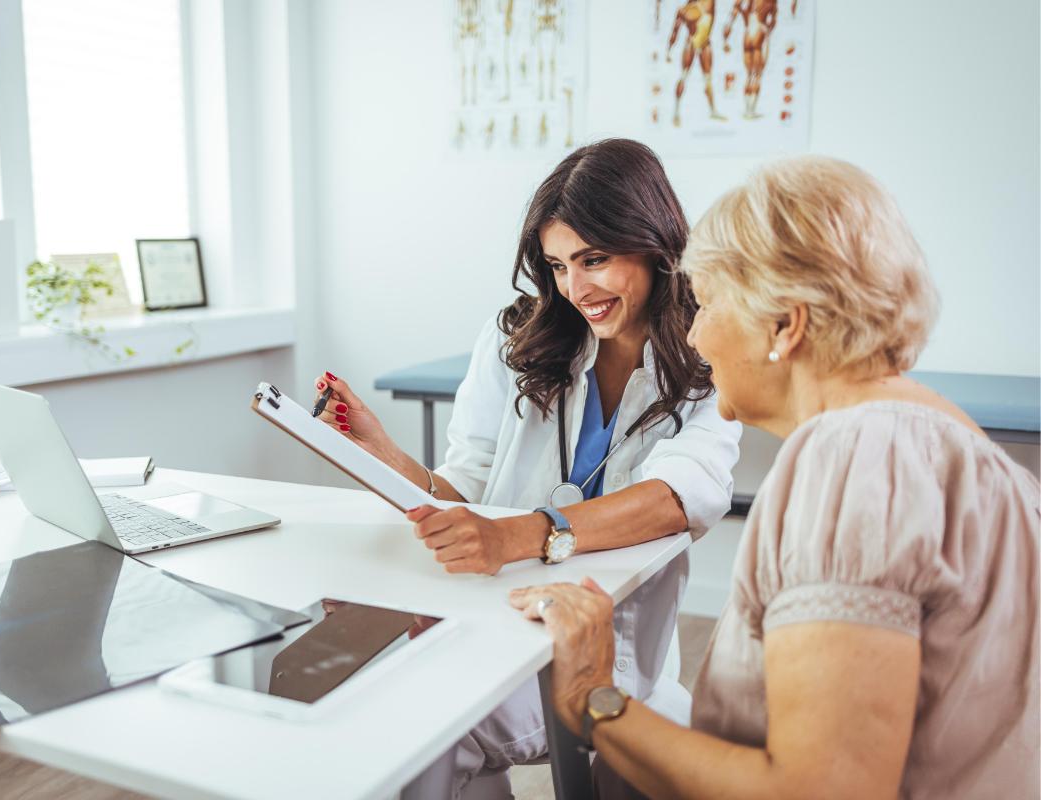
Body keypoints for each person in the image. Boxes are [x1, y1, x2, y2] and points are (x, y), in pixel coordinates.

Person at [510, 156, 1040, 798]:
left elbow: (819, 789)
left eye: (706, 306)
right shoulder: (946, 439)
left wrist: (593, 696)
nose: (696, 336)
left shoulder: (853, 459)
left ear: (784, 325)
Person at [313, 138, 741, 795]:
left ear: (653, 244)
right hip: (491, 619)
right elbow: (466, 489)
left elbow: (681, 497)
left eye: (594, 260)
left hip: (606, 647)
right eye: (559, 265)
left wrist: (515, 536)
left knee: (433, 728)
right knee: (379, 697)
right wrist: (382, 456)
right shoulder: (518, 339)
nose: (576, 289)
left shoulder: (707, 348)